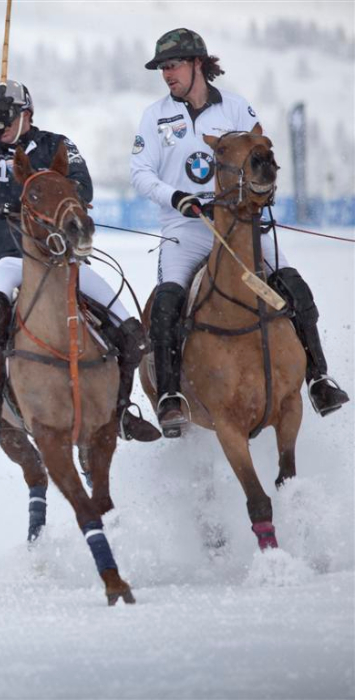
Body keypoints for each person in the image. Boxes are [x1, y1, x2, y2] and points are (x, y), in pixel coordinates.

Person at [131, 28, 348, 436]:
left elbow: (263, 156)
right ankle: (170, 396)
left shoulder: (235, 108)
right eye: (162, 68)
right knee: (167, 302)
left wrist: (260, 193)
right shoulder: (154, 115)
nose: (166, 74)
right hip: (186, 227)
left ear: (198, 64)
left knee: (293, 285)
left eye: (173, 64)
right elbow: (139, 172)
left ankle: (318, 380)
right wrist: (176, 196)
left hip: (239, 225)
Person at [0, 81, 161, 445]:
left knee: (130, 330)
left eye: (5, 116)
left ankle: (122, 410)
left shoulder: (56, 144)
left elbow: (83, 188)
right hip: (12, 258)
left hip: (61, 260)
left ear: (27, 114)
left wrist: (44, 193)